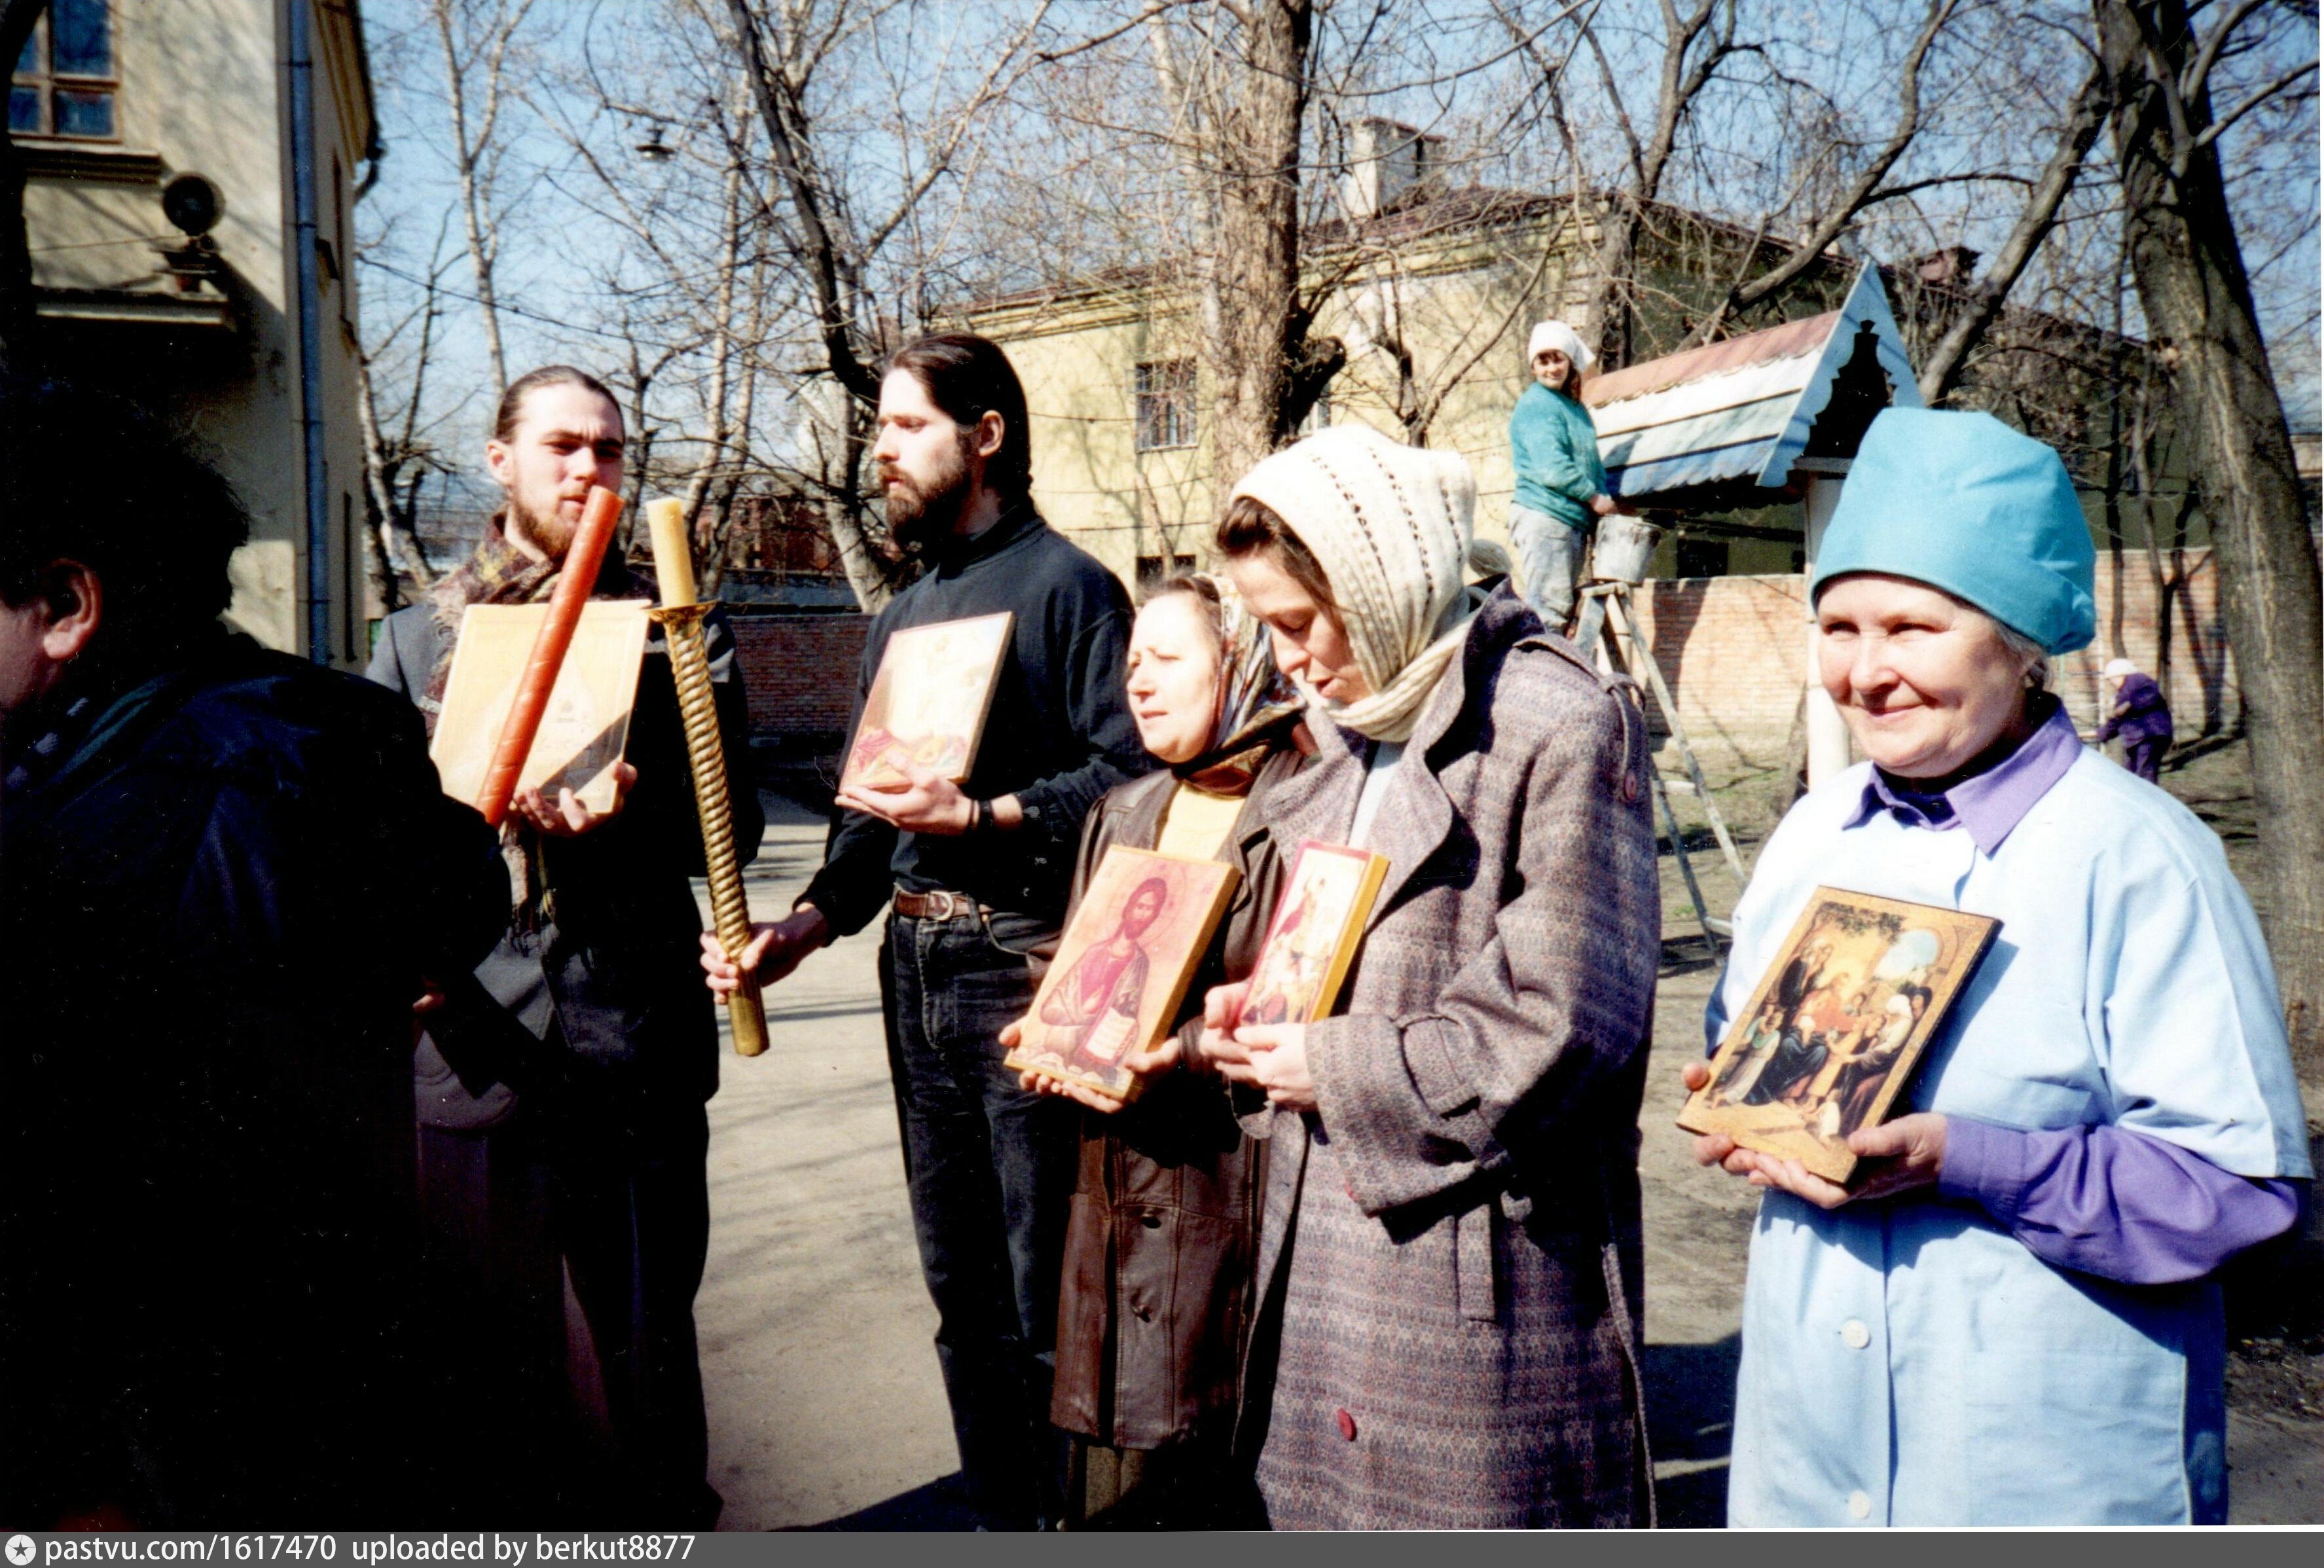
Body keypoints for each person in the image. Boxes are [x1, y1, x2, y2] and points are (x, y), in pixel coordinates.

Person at [1686, 408, 2310, 1526]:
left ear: (2022, 640)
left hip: (2049, 1479)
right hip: (1809, 1469)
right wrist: (1747, 1100)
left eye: (1912, 628)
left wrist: (1972, 1162)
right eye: (1838, 626)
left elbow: (2240, 1196)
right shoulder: (1812, 835)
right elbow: (1740, 1040)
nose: (1865, 673)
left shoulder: (2141, 857)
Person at [0, 378, 509, 1525]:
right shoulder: (335, 734)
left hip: (177, 1448)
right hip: (351, 1400)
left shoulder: (88, 848)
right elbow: (463, 898)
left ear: (67, 604)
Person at [704, 333, 1147, 1530]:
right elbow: (864, 818)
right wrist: (801, 928)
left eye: (904, 426)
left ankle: (1076, 1526)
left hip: (1021, 965)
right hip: (913, 968)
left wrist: (988, 812)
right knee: (961, 1292)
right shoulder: (903, 612)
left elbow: (1133, 782)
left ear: (986, 434)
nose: (879, 450)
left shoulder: (1072, 590)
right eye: (880, 429)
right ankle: (1006, 1523)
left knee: (1045, 1284)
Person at [1198, 424, 1662, 1529]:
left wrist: (1332, 1063)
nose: (1292, 661)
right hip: (1323, 1252)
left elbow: (1566, 1033)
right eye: (1270, 630)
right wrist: (1256, 1009)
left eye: (1301, 624)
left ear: (1377, 583)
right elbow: (1333, 947)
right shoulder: (1343, 727)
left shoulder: (1558, 720)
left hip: (1478, 1271)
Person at [368, 364, 761, 1526]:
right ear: (501, 461)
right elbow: (380, 852)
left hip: (627, 1041)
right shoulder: (416, 637)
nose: (590, 471)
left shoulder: (677, 630)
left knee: (647, 1350)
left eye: (610, 449)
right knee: (487, 1372)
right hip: (474, 1048)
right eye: (563, 447)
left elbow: (732, 826)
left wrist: (637, 798)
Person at [1002, 574, 1305, 1530]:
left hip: (1224, 1189)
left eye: (1167, 658)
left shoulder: (1298, 807)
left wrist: (1175, 1048)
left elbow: (1295, 994)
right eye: (1132, 662)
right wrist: (1045, 1022)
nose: (1139, 680)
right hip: (1115, 1198)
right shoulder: (1124, 808)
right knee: (1113, 1460)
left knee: (1205, 1471)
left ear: (1240, 663)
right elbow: (1087, 966)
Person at [1506, 319, 1618, 629]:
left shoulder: (1573, 408)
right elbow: (1552, 468)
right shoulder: (1538, 405)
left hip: (1567, 520)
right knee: (1549, 614)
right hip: (1546, 517)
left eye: (1558, 359)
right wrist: (1595, 497)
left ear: (1571, 362)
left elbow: (1591, 465)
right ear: (1533, 366)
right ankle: (1534, 678)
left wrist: (1607, 499)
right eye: (1543, 361)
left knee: (1559, 612)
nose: (1551, 368)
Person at [2092, 655, 2173, 782]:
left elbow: (2151, 694)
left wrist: (2129, 704)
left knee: (2145, 775)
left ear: (2120, 674)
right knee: (2130, 777)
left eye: (2110, 679)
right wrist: (2092, 734)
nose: (2110, 683)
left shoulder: (2138, 680)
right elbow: (2115, 723)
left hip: (2150, 735)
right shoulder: (2121, 695)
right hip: (2136, 739)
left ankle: (2147, 800)